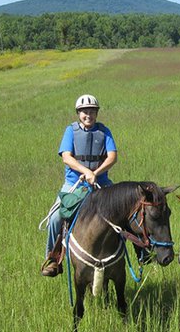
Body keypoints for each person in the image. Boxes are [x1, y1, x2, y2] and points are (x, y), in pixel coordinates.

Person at [41, 94, 118, 277]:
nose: (88, 115)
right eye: (84, 112)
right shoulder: (71, 131)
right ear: (78, 113)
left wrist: (96, 173)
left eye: (92, 111)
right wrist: (86, 172)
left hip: (102, 183)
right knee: (55, 219)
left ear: (96, 113)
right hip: (74, 185)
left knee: (124, 211)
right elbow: (67, 157)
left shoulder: (104, 131)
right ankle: (53, 258)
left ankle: (142, 253)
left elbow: (112, 156)